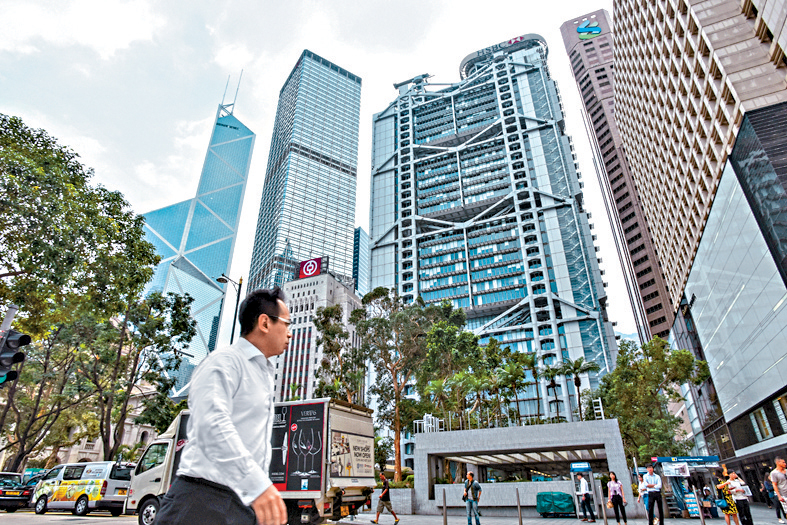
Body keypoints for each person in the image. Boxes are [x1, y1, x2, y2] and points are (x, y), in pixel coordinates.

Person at [156, 287, 292, 525]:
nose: (290, 333)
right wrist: (257, 485)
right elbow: (212, 424)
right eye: (287, 324)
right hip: (201, 501)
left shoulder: (264, 373)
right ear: (264, 323)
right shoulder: (225, 362)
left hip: (239, 504)